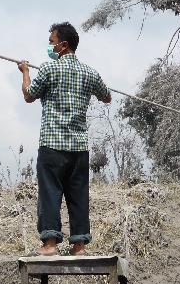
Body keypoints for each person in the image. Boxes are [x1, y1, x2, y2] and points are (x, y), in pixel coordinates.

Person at [17, 22, 112, 256]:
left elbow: (29, 95)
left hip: (52, 145)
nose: (50, 46)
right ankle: (79, 245)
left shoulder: (49, 69)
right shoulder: (91, 73)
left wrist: (26, 72)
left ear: (63, 44)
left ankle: (50, 244)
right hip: (79, 148)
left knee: (50, 192)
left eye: (52, 42)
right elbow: (107, 97)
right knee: (78, 194)